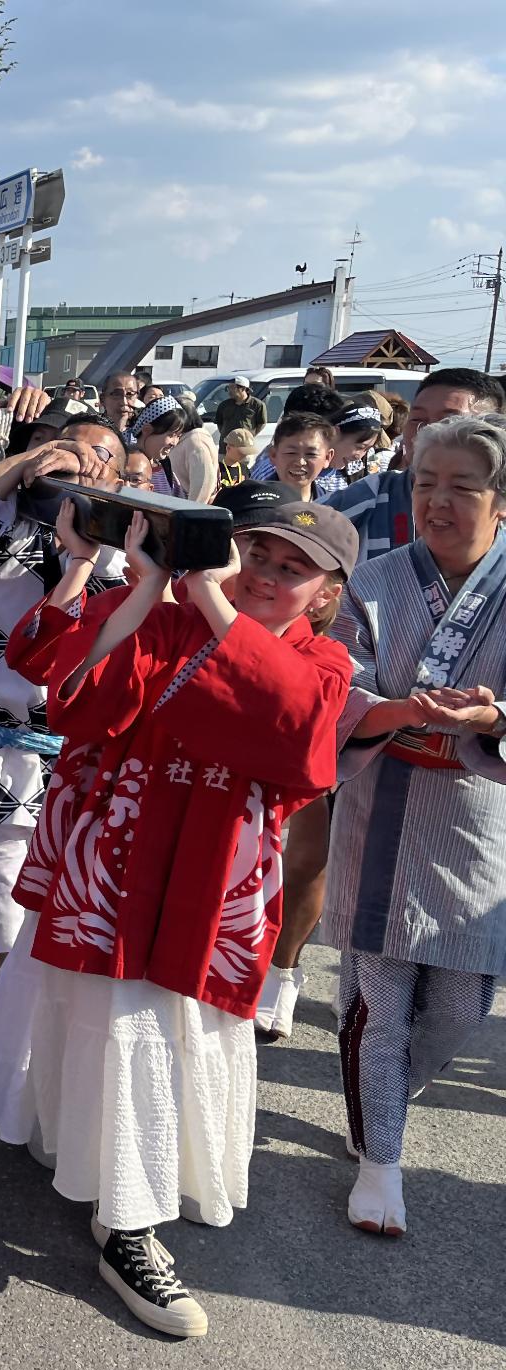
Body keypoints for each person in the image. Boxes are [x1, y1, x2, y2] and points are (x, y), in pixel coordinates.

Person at [0, 498, 355, 1338]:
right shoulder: (166, 622)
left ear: (326, 592)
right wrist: (147, 586)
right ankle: (127, 1221)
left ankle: (129, 1184)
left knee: (185, 1031)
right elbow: (77, 702)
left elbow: (302, 744)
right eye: (259, 554)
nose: (271, 576)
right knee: (114, 1022)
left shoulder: (326, 661)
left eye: (295, 567)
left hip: (215, 877)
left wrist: (209, 605)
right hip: (123, 861)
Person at [324, 411, 506, 1236]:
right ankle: (381, 1162)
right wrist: (400, 708)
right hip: (384, 806)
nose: (438, 503)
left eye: (461, 488)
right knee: (383, 1004)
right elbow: (339, 685)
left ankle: (383, 1081)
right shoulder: (377, 581)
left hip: (478, 821)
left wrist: (496, 720)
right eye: (425, 484)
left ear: (499, 501)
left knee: (462, 1010)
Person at [0, 416, 127, 1019]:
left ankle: (29, 1029)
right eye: (69, 451)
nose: (82, 465)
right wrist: (29, 463)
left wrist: (93, 543)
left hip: (81, 762)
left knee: (60, 906)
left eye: (101, 458)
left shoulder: (118, 555)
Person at [328, 368, 504, 562]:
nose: (428, 431)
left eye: (449, 421)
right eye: (418, 419)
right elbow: (298, 525)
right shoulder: (371, 493)